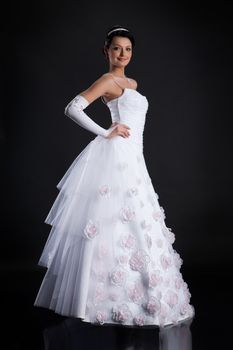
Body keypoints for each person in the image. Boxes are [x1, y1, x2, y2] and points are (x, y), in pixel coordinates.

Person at [34, 24, 195, 328]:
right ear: (106, 50)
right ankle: (97, 297)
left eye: (128, 49)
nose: (122, 54)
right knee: (111, 221)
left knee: (135, 221)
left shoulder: (131, 81)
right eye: (117, 48)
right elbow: (74, 107)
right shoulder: (108, 80)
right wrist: (106, 132)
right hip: (117, 155)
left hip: (135, 157)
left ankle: (144, 291)